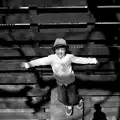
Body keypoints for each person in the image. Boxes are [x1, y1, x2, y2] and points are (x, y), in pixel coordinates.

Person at [21, 38, 98, 116]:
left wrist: (93, 60)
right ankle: (68, 105)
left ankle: (79, 100)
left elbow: (81, 60)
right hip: (60, 83)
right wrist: (29, 64)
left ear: (66, 50)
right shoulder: (52, 58)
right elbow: (40, 61)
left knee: (73, 99)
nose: (60, 52)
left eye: (62, 49)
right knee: (61, 99)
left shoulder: (69, 57)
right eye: (58, 50)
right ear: (55, 50)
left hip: (71, 83)